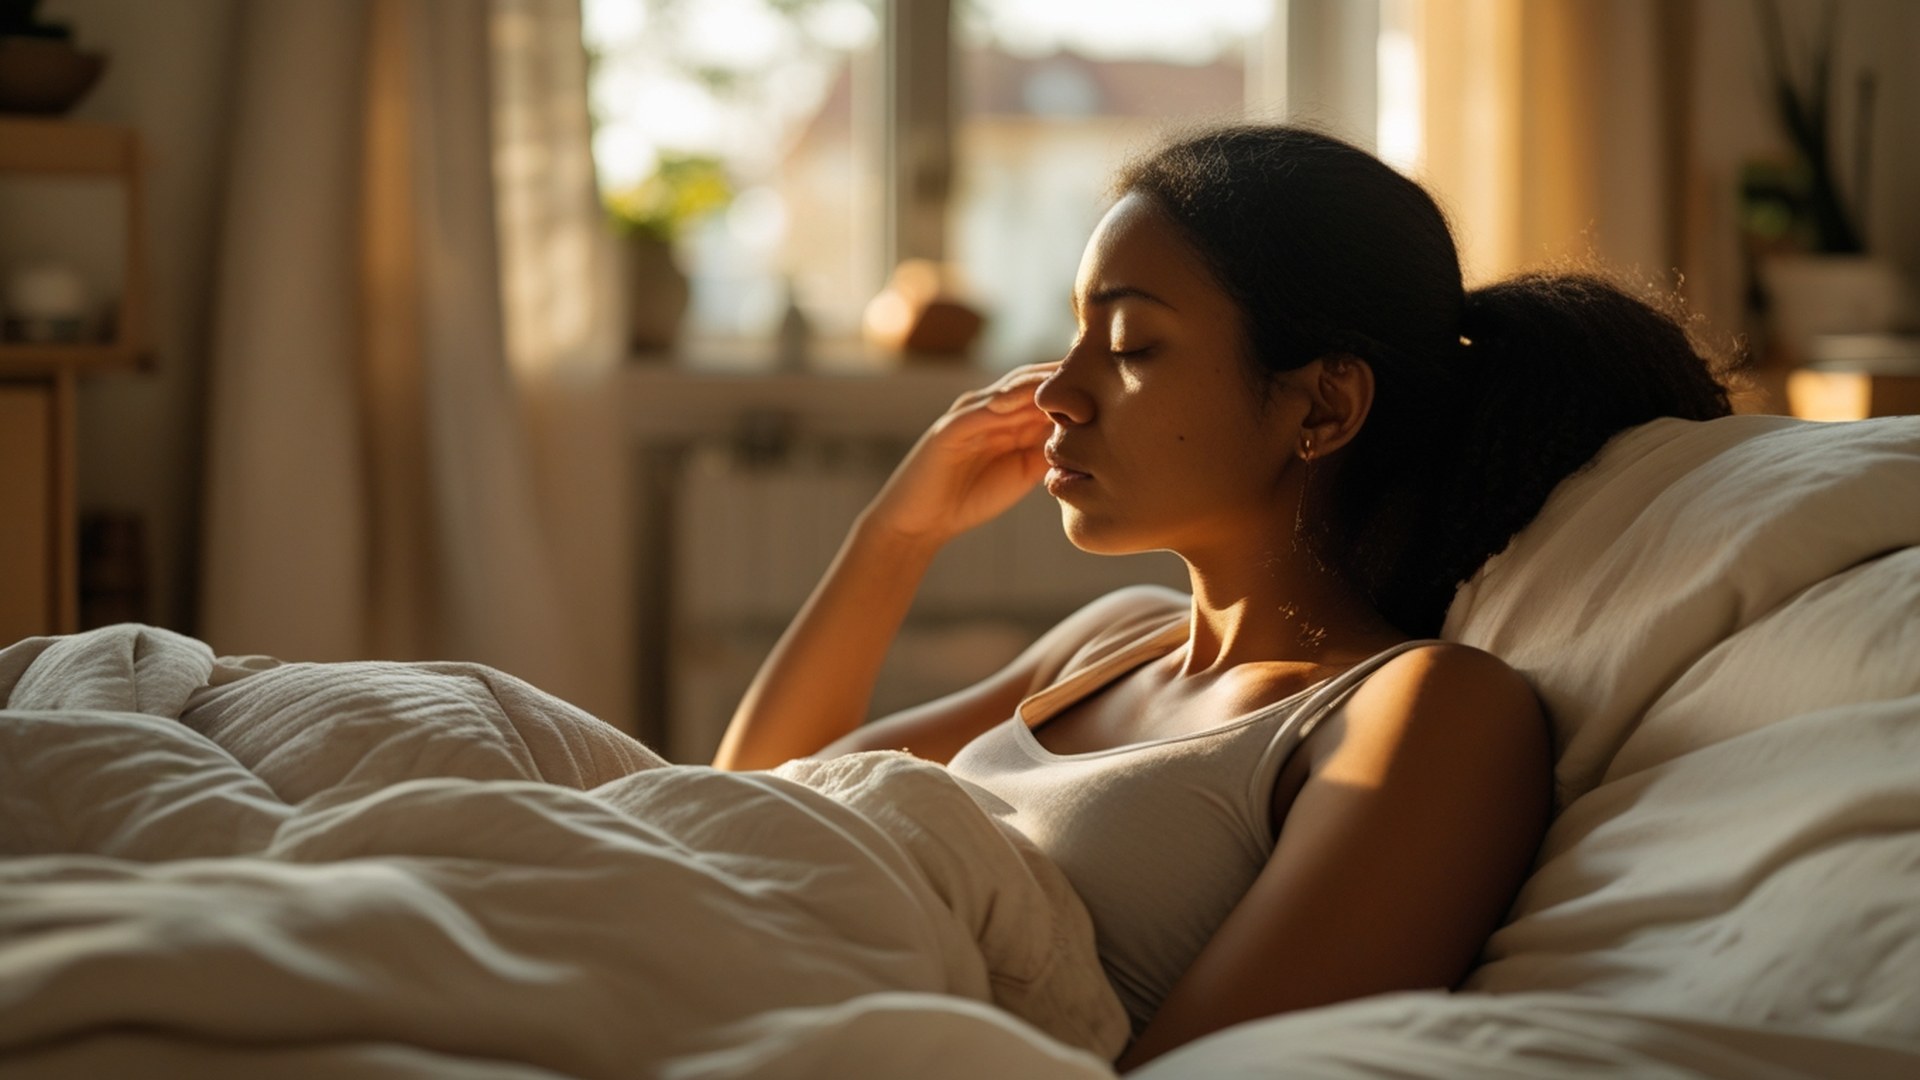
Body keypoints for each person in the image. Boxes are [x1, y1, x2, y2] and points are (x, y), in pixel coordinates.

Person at [712, 124, 1732, 1069]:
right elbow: (753, 814)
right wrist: (895, 538)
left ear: (1324, 405)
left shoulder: (1421, 713)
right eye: (1075, 333)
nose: (1057, 391)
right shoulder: (1111, 642)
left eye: (1131, 346)